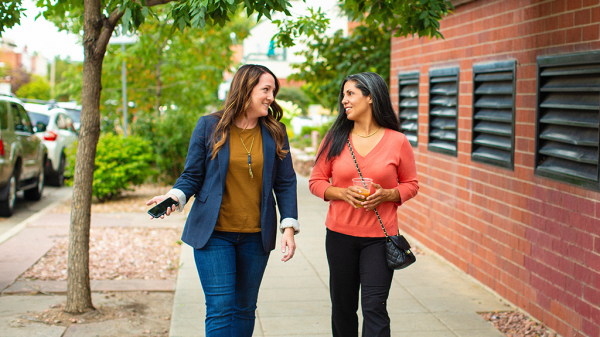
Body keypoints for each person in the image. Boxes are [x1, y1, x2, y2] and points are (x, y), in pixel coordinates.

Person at [147, 64, 299, 337]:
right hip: (214, 234)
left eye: (273, 91)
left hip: (256, 235)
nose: (271, 97)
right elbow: (192, 175)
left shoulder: (276, 131)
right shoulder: (209, 126)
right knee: (220, 307)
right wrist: (175, 196)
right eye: (265, 90)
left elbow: (285, 182)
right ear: (246, 89)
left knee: (244, 308)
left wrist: (288, 227)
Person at [308, 72, 419, 337]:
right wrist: (341, 193)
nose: (344, 100)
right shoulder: (335, 137)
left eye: (350, 94)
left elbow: (411, 184)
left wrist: (388, 195)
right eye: (343, 95)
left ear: (370, 96)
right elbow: (316, 181)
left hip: (380, 239)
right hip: (339, 236)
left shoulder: (397, 141)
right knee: (343, 308)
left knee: (374, 307)